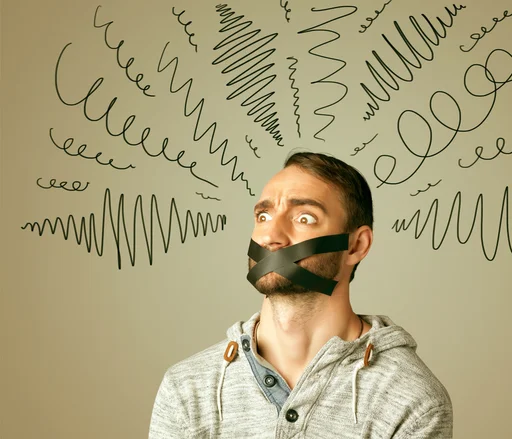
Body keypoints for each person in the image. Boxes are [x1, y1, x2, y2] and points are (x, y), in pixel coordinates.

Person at [149, 152, 453, 438]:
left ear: (356, 246)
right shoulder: (188, 388)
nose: (270, 236)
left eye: (304, 217)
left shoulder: (410, 400)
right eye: (264, 216)